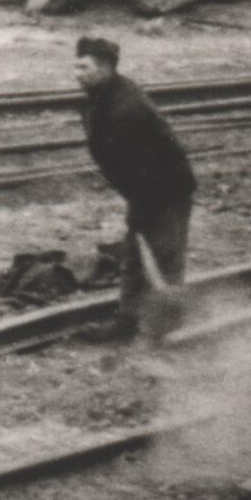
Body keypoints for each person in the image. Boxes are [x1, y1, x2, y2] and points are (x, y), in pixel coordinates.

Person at [75, 36, 195, 339]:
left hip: (167, 190)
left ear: (105, 68)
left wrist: (139, 211)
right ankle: (127, 323)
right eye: (76, 66)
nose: (77, 73)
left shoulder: (126, 109)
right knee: (132, 258)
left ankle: (170, 332)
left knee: (165, 259)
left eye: (84, 67)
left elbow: (148, 168)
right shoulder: (103, 95)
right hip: (144, 189)